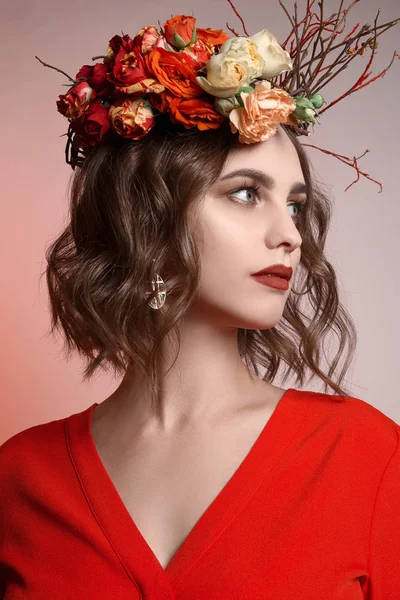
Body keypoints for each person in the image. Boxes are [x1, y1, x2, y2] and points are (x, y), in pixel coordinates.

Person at [1, 6, 399, 599]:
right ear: (147, 219)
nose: (290, 234)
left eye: (294, 205)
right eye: (244, 194)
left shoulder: (367, 458)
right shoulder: (20, 477)